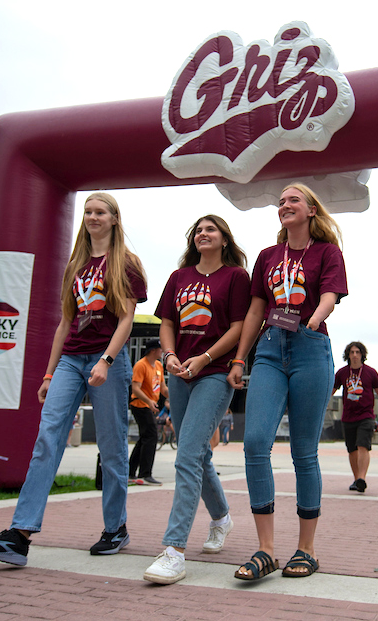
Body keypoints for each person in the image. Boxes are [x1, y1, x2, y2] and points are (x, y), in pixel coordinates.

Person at [0, 192, 146, 566]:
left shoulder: (126, 263)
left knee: (112, 450)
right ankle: (20, 535)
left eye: (100, 212)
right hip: (69, 361)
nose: (92, 217)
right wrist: (49, 372)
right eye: (88, 211)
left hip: (105, 362)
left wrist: (107, 361)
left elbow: (127, 320)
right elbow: (65, 322)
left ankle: (116, 528)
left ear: (114, 219)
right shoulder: (76, 265)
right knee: (47, 440)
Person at [228, 182, 347, 581]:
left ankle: (306, 549)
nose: (285, 205)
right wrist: (240, 357)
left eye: (293, 199)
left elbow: (330, 295)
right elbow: (256, 309)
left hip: (310, 347)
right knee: (256, 442)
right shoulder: (267, 257)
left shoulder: (327, 252)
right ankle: (265, 550)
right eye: (280, 202)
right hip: (270, 350)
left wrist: (313, 320)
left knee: (303, 453)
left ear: (312, 209)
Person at [143, 214, 251, 585]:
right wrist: (170, 356)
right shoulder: (179, 278)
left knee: (187, 454)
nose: (203, 234)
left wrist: (205, 358)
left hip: (215, 373)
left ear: (224, 239)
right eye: (198, 230)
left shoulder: (236, 277)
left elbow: (238, 327)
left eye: (211, 229)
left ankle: (174, 551)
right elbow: (168, 323)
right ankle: (221, 519)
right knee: (198, 454)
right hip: (180, 374)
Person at [333, 341, 378, 492]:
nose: (354, 355)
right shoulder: (342, 373)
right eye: (351, 352)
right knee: (352, 449)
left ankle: (362, 478)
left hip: (366, 415)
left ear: (362, 355)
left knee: (363, 445)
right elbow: (331, 390)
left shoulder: (371, 372)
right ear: (348, 355)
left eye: (357, 352)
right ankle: (356, 479)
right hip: (348, 416)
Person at [129, 340, 165, 485]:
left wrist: (175, 398)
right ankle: (145, 473)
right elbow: (135, 388)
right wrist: (149, 401)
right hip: (140, 404)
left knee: (145, 437)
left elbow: (163, 388)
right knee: (151, 436)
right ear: (153, 350)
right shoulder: (141, 365)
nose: (162, 351)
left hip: (150, 405)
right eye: (160, 349)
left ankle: (130, 472)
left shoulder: (159, 366)